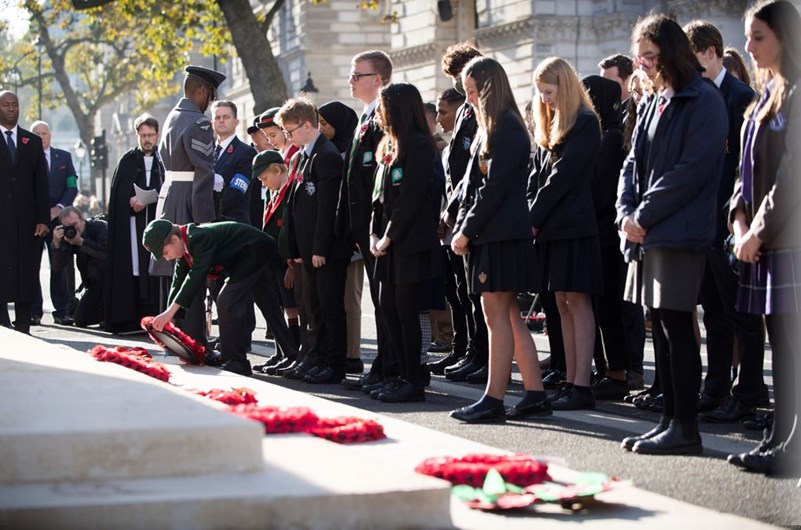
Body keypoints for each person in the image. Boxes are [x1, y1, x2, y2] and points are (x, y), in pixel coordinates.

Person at [617, 14, 728, 455]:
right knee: (659, 329)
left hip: (678, 231)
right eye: (638, 56)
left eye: (649, 56)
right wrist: (626, 211)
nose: (641, 64)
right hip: (647, 231)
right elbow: (632, 164)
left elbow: (692, 171)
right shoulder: (655, 101)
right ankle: (667, 419)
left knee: (679, 327)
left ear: (671, 53)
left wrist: (642, 214)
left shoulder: (701, 99)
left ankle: (685, 426)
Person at [449, 57, 548, 423]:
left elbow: (493, 189)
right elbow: (472, 187)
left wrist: (466, 230)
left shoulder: (505, 127)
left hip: (500, 235)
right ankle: (535, 392)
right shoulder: (492, 126)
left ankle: (494, 397)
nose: (470, 99)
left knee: (496, 317)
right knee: (508, 314)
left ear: (490, 87)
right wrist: (462, 225)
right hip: (496, 233)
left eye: (473, 91)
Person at [727, 0, 801, 477]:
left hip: (787, 237)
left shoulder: (796, 95)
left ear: (785, 38)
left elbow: (792, 173)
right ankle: (781, 434)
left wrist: (758, 228)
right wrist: (738, 225)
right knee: (781, 344)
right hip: (760, 241)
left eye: (759, 37)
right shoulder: (762, 98)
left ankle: (791, 447)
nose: (750, 47)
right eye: (749, 37)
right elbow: (743, 176)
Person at [684, 19, 768, 422]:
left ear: (711, 53)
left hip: (733, 219)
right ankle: (715, 387)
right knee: (714, 310)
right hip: (703, 220)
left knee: (743, 314)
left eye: (694, 62)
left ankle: (748, 392)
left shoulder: (740, 95)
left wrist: (736, 218)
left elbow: (745, 166)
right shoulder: (696, 96)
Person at [529, 57, 603, 411]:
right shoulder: (554, 124)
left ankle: (581, 383)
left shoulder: (585, 123)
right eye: (541, 92)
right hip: (552, 228)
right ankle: (571, 378)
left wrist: (532, 215)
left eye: (549, 91)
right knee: (561, 302)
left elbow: (564, 177)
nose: (545, 99)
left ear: (565, 85)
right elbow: (538, 175)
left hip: (574, 224)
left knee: (578, 300)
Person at [144, 217, 294, 376]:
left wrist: (170, 313)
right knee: (267, 304)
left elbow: (196, 276)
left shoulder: (198, 237)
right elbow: (178, 282)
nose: (167, 258)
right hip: (249, 253)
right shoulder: (185, 245)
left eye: (165, 252)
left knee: (226, 301)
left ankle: (237, 361)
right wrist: (172, 318)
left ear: (174, 239)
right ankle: (290, 354)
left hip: (253, 250)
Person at [369, 82, 441, 402]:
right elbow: (379, 198)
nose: (380, 113)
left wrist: (389, 236)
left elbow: (411, 198)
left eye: (384, 106)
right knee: (388, 310)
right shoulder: (388, 144)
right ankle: (400, 374)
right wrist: (374, 232)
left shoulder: (419, 145)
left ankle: (414, 380)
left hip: (410, 241)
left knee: (407, 311)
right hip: (387, 243)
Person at [152, 65, 226, 350]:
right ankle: (193, 340)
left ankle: (172, 335)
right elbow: (203, 173)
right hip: (188, 201)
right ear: (201, 90)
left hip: (169, 198)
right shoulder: (199, 122)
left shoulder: (171, 117)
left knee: (173, 273)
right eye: (209, 94)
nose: (209, 101)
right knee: (192, 269)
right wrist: (206, 223)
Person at [277, 97, 350, 384]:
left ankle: (334, 363)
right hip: (305, 248)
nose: (288, 137)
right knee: (312, 307)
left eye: (291, 130)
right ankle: (315, 356)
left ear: (308, 125)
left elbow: (328, 208)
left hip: (325, 250)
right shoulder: (300, 156)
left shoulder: (326, 156)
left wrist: (320, 248)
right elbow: (296, 207)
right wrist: (295, 248)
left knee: (329, 307)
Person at [338, 50, 397, 392]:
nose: (351, 80)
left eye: (357, 75)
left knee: (385, 300)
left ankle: (391, 364)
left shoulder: (383, 118)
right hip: (362, 225)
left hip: (378, 224)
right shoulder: (365, 117)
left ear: (377, 80)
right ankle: (385, 363)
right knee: (379, 299)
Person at [436, 43, 490, 385]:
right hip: (458, 212)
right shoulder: (468, 113)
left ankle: (482, 355)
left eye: (461, 77)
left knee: (477, 295)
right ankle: (468, 349)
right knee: (461, 291)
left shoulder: (482, 110)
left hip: (475, 215)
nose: (459, 85)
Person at [581, 75, 631, 401]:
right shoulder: (597, 136)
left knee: (608, 305)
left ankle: (616, 371)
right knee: (597, 304)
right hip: (592, 231)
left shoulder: (611, 138)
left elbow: (601, 190)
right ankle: (603, 369)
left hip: (604, 234)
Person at [104, 113, 166, 333]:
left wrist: (152, 197)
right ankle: (130, 316)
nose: (147, 139)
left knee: (156, 267)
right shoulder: (127, 160)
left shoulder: (164, 159)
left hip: (158, 223)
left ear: (157, 135)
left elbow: (170, 187)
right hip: (133, 225)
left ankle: (156, 316)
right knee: (133, 267)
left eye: (150, 135)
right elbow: (118, 192)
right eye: (143, 135)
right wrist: (130, 199)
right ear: (136, 135)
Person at [318, 100, 365, 375]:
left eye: (326, 123)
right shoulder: (329, 151)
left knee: (352, 298)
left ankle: (353, 353)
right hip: (334, 236)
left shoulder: (352, 151)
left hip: (352, 237)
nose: (322, 129)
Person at [0, 91, 49, 335]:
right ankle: (2, 323)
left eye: (14, 105)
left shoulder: (32, 142)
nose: (11, 109)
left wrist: (43, 218)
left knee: (26, 270)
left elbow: (41, 182)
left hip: (27, 222)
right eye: (6, 105)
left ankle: (23, 324)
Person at [30, 120, 79, 326]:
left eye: (44, 133)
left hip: (58, 219)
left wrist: (59, 207)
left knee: (60, 265)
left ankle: (62, 310)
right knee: (32, 265)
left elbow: (72, 184)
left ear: (50, 135)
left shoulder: (64, 158)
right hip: (33, 220)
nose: (41, 137)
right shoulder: (26, 158)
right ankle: (33, 311)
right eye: (37, 133)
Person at [51, 206, 107, 327]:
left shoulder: (98, 227)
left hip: (111, 283)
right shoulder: (68, 237)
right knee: (81, 319)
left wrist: (81, 242)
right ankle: (104, 314)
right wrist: (56, 244)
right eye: (68, 226)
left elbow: (105, 254)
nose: (73, 228)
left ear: (82, 219)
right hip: (93, 286)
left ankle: (109, 315)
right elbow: (58, 266)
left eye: (75, 223)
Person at [211, 100, 257, 225]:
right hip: (208, 223)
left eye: (226, 117)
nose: (221, 120)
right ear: (212, 123)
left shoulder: (246, 152)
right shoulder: (206, 153)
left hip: (233, 223)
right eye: (217, 117)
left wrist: (207, 208)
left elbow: (236, 192)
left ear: (236, 122)